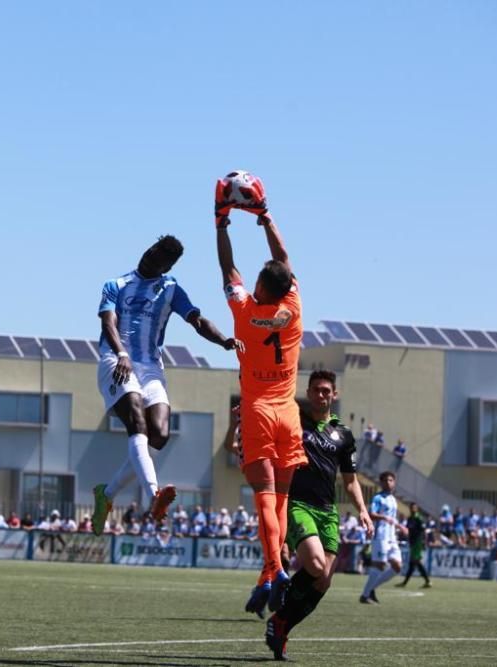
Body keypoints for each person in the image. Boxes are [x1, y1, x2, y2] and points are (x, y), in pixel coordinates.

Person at [91, 235, 238, 535]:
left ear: (166, 265)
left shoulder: (170, 289)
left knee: (159, 434)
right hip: (115, 359)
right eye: (148, 252)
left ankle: (106, 495)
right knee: (137, 424)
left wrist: (224, 340)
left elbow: (196, 320)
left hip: (150, 366)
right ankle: (155, 495)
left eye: (156, 259)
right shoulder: (115, 285)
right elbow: (108, 323)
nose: (147, 259)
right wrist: (121, 354)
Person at [216, 191, 308, 614]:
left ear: (259, 287)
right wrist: (265, 218)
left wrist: (222, 222)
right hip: (290, 413)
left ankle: (275, 568)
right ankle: (270, 574)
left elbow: (226, 267)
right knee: (283, 501)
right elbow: (284, 258)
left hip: (257, 412)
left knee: (265, 501)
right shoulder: (293, 305)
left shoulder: (243, 309)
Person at [263, 372, 374, 660]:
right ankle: (283, 600)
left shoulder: (344, 434)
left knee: (323, 580)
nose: (321, 395)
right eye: (316, 390)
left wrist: (362, 510)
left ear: (334, 394)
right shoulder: (294, 420)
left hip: (328, 512)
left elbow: (350, 481)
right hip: (298, 504)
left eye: (326, 391)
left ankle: (281, 624)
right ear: (309, 392)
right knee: (313, 564)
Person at [360, 471, 408, 604]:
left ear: (394, 482)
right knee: (380, 564)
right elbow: (371, 514)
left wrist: (401, 527)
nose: (388, 482)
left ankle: (370, 589)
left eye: (391, 480)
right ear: (381, 483)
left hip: (392, 536)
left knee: (397, 567)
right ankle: (364, 596)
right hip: (380, 535)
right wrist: (384, 517)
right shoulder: (378, 498)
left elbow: (392, 519)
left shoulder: (393, 499)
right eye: (386, 480)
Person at [396, 502, 431, 588]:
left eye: (414, 507)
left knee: (415, 562)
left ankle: (426, 581)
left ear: (417, 508)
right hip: (412, 542)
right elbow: (409, 530)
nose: (412, 509)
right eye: (411, 507)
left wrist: (424, 542)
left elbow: (424, 531)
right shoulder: (410, 518)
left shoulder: (418, 518)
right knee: (414, 563)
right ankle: (426, 581)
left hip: (418, 542)